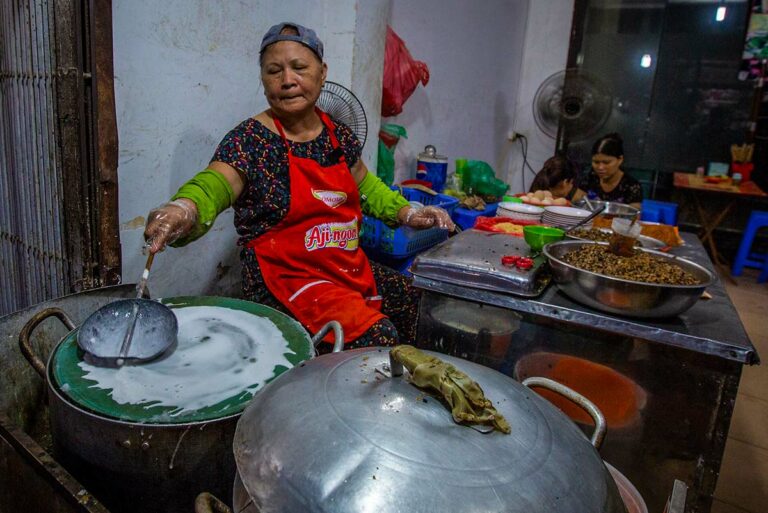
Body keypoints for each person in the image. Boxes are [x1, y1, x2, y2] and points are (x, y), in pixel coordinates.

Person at [143, 22, 453, 350]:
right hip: (285, 280)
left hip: (341, 267)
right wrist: (183, 208)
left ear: (322, 73)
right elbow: (214, 184)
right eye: (274, 71)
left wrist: (406, 211)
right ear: (263, 80)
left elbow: (366, 185)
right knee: (377, 336)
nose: (287, 80)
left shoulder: (338, 136)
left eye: (299, 68)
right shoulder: (250, 140)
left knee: (419, 304)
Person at [581, 133, 643, 208]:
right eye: (596, 162)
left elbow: (634, 216)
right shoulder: (589, 179)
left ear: (620, 160)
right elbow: (577, 205)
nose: (600, 167)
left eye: (606, 162)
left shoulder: (632, 186)